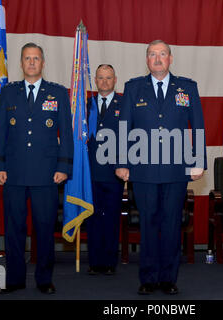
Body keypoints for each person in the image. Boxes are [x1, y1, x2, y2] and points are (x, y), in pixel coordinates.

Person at [116, 40, 206, 295]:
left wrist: (198, 160)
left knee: (170, 224)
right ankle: (148, 277)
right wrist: (122, 162)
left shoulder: (187, 87)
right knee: (148, 224)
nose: (157, 59)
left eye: (162, 54)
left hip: (176, 170)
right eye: (152, 54)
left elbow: (197, 125)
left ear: (171, 58)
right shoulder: (134, 88)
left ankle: (168, 278)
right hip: (143, 170)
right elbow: (124, 128)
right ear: (146, 60)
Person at [0, 42, 73, 294]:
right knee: (14, 228)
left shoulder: (57, 93)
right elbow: (0, 130)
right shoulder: (9, 92)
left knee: (45, 227)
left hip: (46, 172)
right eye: (27, 58)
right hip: (13, 172)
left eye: (36, 58)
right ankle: (14, 279)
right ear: (21, 63)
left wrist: (64, 166)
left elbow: (66, 134)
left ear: (43, 63)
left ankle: (44, 279)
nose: (32, 62)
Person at [86, 64, 124, 275]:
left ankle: (109, 262)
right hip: (91, 172)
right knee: (92, 218)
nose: (104, 82)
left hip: (114, 173)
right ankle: (94, 262)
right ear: (95, 80)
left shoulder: (124, 104)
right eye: (100, 78)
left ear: (115, 79)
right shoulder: (86, 105)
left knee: (110, 218)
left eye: (108, 78)